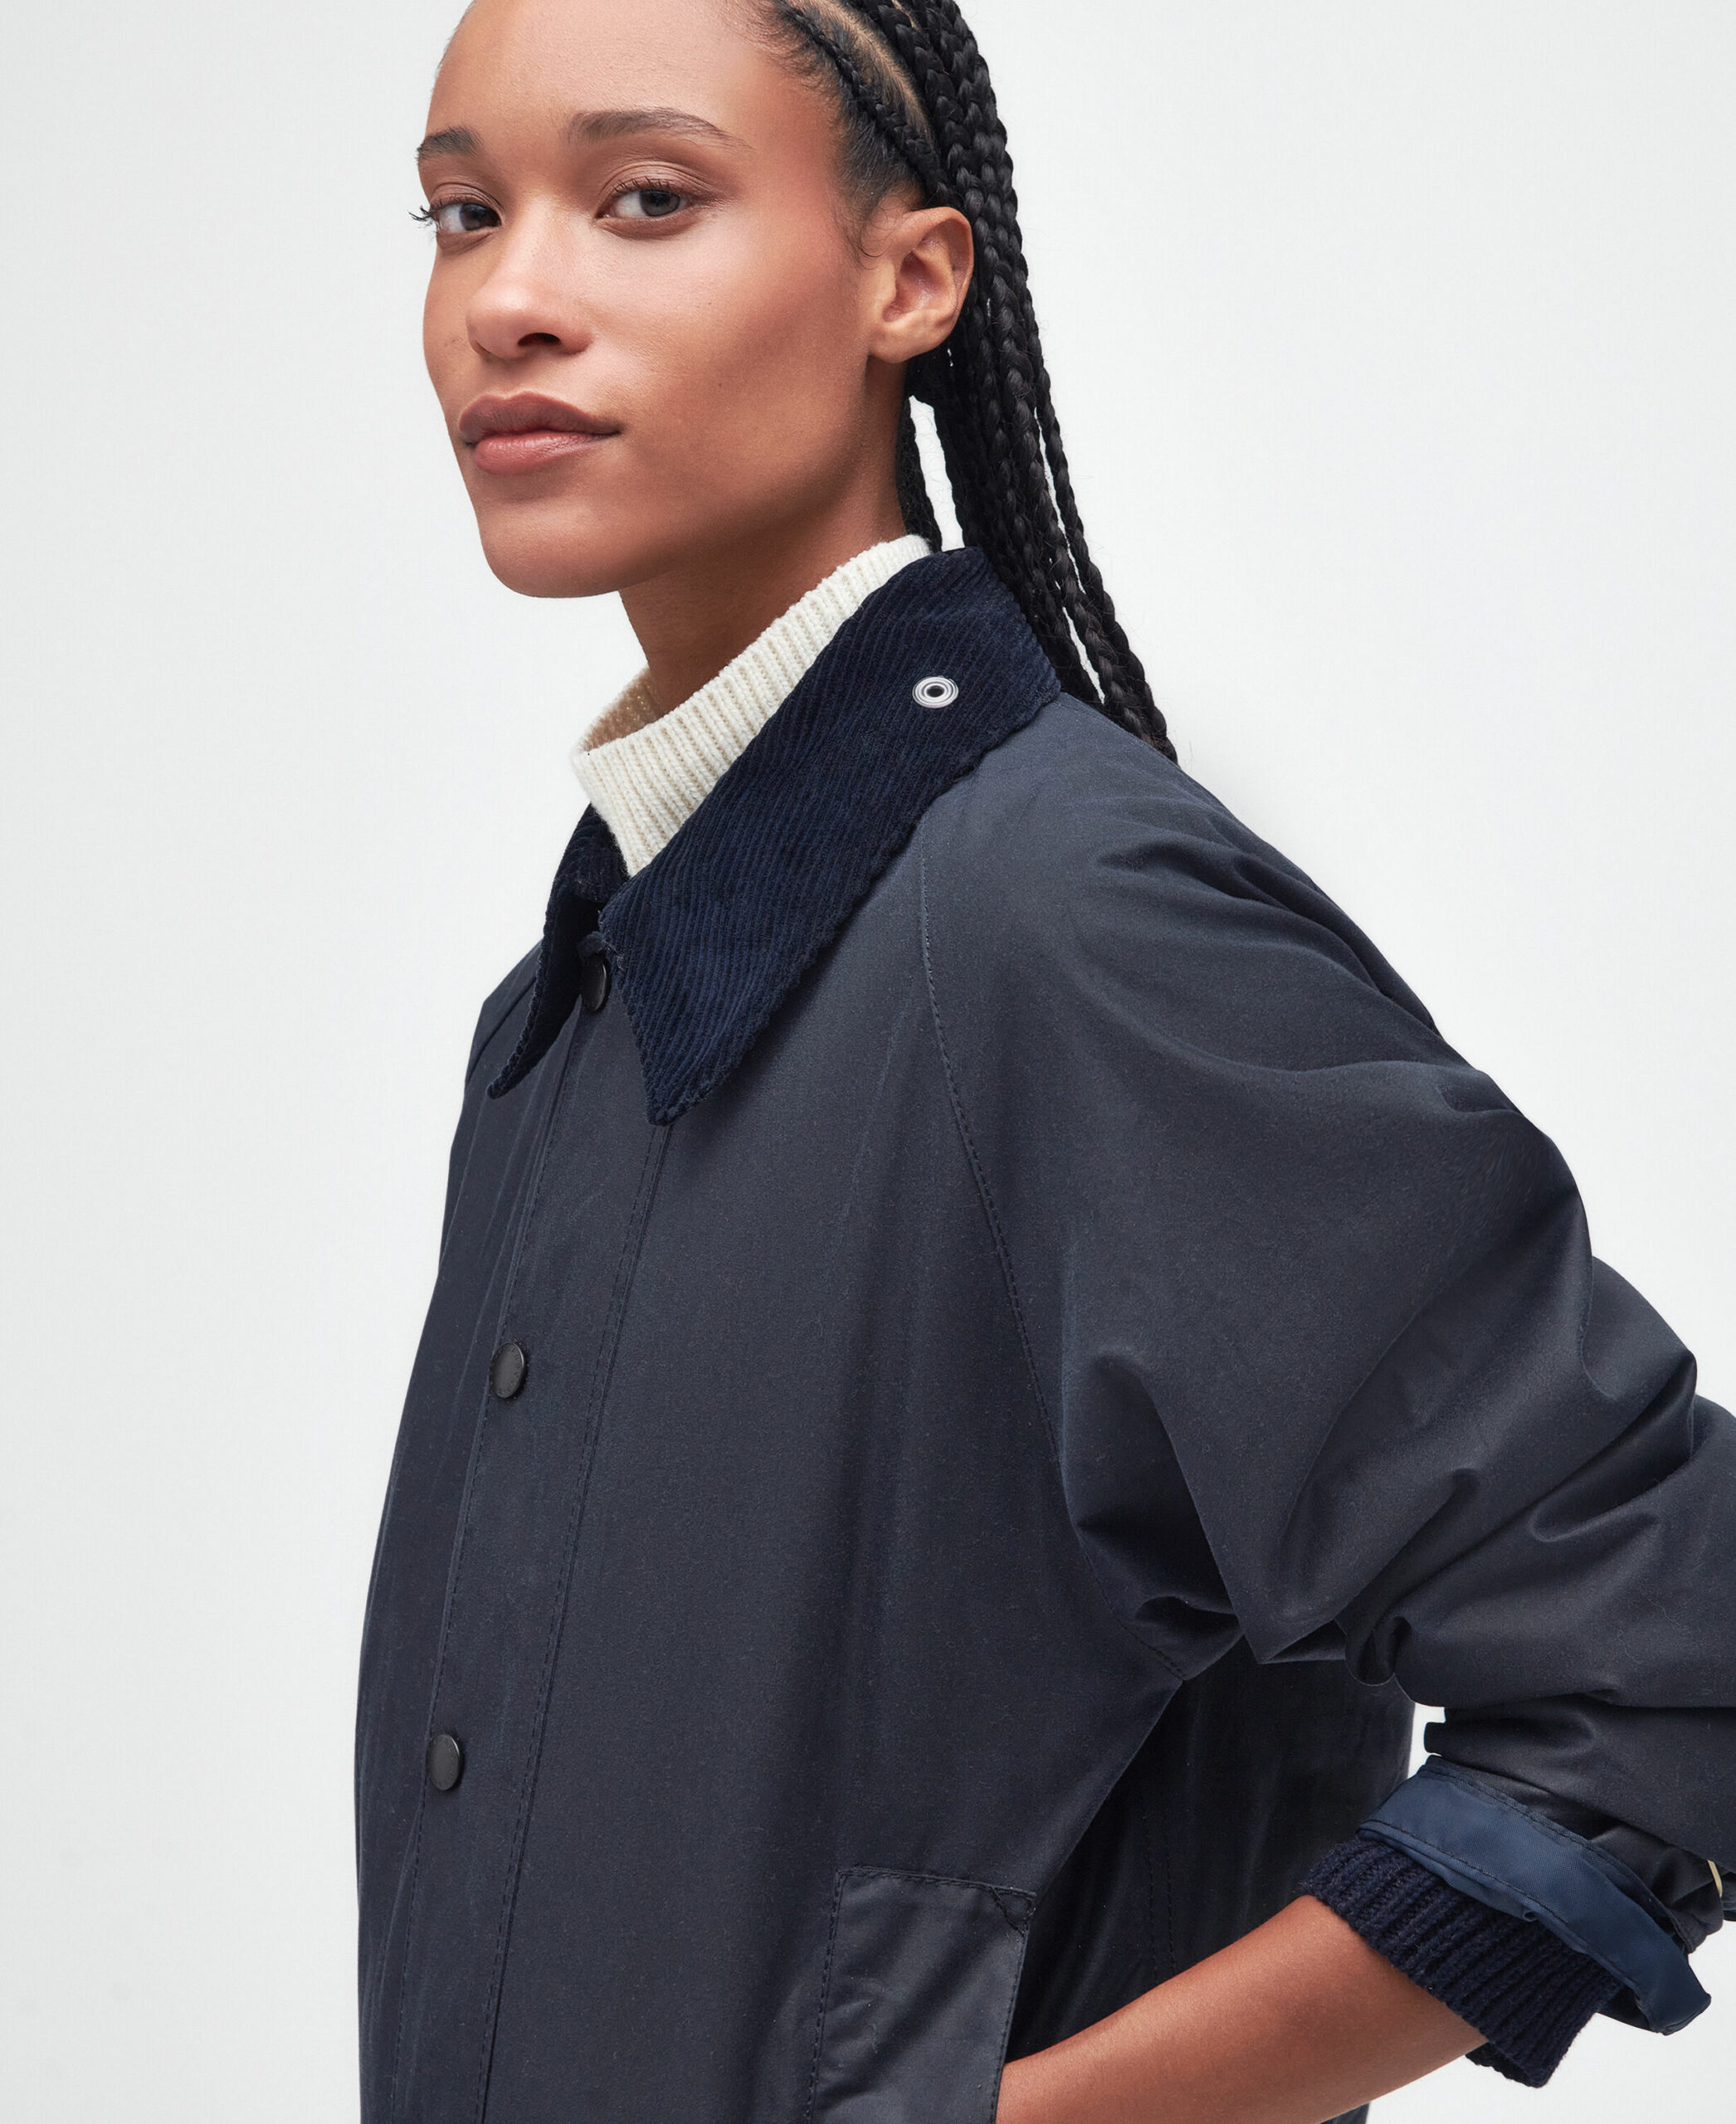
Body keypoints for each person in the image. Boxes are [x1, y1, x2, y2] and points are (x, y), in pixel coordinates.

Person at [354, 2, 1735, 2118]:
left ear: (909, 278)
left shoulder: (1061, 921)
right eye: (462, 214)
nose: (507, 299)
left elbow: (1670, 1665)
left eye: (643, 198)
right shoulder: (575, 1012)